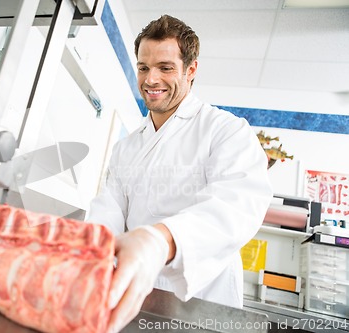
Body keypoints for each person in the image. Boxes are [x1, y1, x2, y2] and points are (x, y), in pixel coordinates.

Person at [87, 14, 273, 333]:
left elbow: (236, 206)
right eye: (144, 67)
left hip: (202, 305)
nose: (151, 79)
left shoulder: (226, 131)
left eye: (165, 67)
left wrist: (160, 240)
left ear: (191, 70)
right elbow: (110, 210)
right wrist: (93, 251)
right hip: (132, 297)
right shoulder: (127, 147)